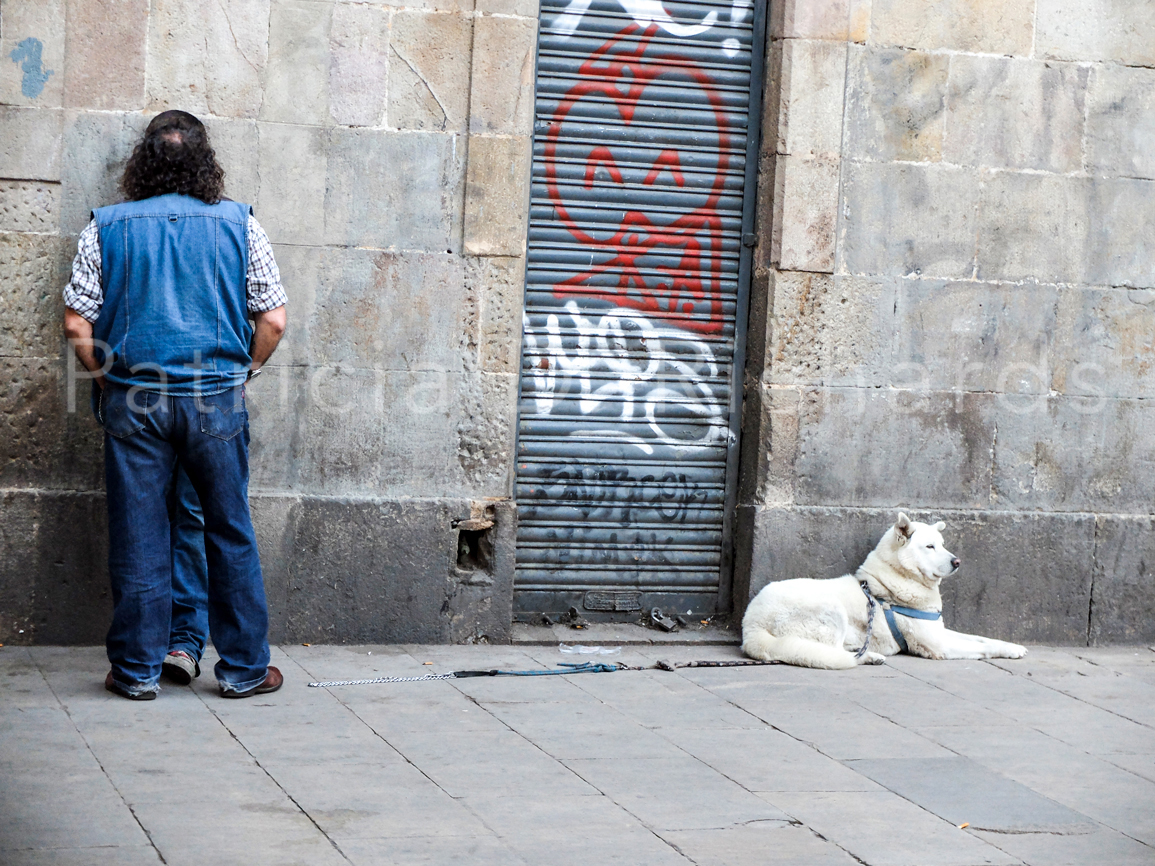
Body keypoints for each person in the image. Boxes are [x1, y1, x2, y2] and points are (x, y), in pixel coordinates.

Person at [62, 110, 287, 700]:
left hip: (134, 400)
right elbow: (274, 318)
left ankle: (136, 672)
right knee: (229, 531)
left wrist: (107, 377)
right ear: (204, 162)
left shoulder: (105, 227)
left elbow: (75, 323)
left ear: (144, 162)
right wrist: (246, 370)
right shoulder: (240, 223)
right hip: (215, 398)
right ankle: (242, 670)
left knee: (138, 532)